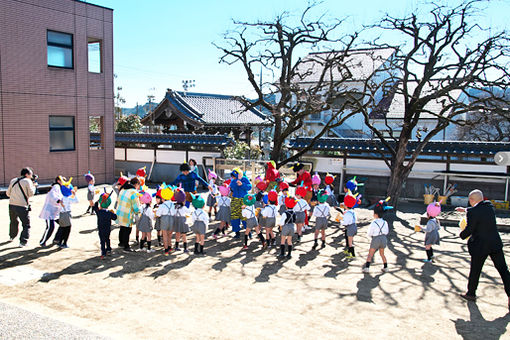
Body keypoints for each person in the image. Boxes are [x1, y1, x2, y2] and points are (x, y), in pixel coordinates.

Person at [457, 189, 510, 309]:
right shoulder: (489, 207)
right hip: (495, 244)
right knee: (503, 270)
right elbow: (478, 211)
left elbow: (469, 229)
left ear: (471, 200)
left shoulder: (473, 212)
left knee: (475, 270)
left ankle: (471, 293)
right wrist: (465, 210)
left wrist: (461, 234)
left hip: (480, 246)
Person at [6, 167, 37, 247]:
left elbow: (8, 193)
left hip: (12, 204)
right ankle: (23, 241)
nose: (31, 176)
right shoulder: (28, 181)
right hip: (22, 205)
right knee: (26, 224)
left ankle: (12, 236)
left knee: (13, 221)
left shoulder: (13, 180)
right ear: (27, 174)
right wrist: (34, 186)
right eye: (31, 174)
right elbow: (31, 193)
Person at [362, 199, 390, 273]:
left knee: (370, 254)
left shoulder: (374, 223)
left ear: (376, 214)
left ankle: (367, 268)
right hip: (384, 238)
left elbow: (370, 232)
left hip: (376, 238)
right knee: (382, 254)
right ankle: (386, 267)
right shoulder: (385, 222)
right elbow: (386, 231)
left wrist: (370, 236)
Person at [116, 177, 141, 252]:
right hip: (127, 213)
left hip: (120, 212)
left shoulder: (122, 189)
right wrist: (138, 212)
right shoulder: (133, 192)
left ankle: (121, 243)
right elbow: (135, 205)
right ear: (136, 184)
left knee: (122, 228)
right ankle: (126, 246)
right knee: (127, 229)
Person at [39, 176, 64, 247]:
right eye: (62, 180)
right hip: (49, 211)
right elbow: (53, 196)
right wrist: (58, 200)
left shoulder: (59, 187)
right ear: (58, 181)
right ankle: (42, 241)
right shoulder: (56, 186)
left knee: (63, 224)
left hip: (55, 212)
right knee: (50, 227)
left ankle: (57, 239)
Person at [53, 180, 78, 248]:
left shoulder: (60, 197)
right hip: (66, 214)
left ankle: (60, 242)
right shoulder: (67, 198)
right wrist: (74, 194)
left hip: (61, 214)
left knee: (63, 228)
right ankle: (64, 243)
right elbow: (76, 201)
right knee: (67, 229)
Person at [93, 192, 117, 259]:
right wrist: (113, 212)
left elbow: (95, 207)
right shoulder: (109, 213)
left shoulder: (99, 212)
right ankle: (108, 250)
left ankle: (103, 253)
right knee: (107, 239)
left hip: (101, 228)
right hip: (108, 228)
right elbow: (115, 217)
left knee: (102, 241)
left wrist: (99, 200)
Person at [229, 168, 252, 238]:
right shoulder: (233, 180)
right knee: (234, 215)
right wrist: (237, 180)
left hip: (243, 200)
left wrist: (242, 184)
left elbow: (249, 187)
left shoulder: (244, 179)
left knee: (245, 216)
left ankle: (248, 232)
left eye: (234, 175)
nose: (233, 177)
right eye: (233, 176)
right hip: (235, 199)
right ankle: (237, 232)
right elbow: (231, 186)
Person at [156, 185, 175, 255]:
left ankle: (166, 249)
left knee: (164, 235)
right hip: (172, 219)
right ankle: (170, 246)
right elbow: (174, 213)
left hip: (164, 220)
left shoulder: (162, 205)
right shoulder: (173, 205)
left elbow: (158, 214)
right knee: (170, 234)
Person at [339, 191, 359, 259]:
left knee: (350, 242)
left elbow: (346, 222)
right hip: (354, 226)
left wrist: (340, 221)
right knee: (350, 240)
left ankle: (352, 254)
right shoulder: (352, 212)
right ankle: (349, 251)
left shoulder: (347, 214)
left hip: (350, 227)